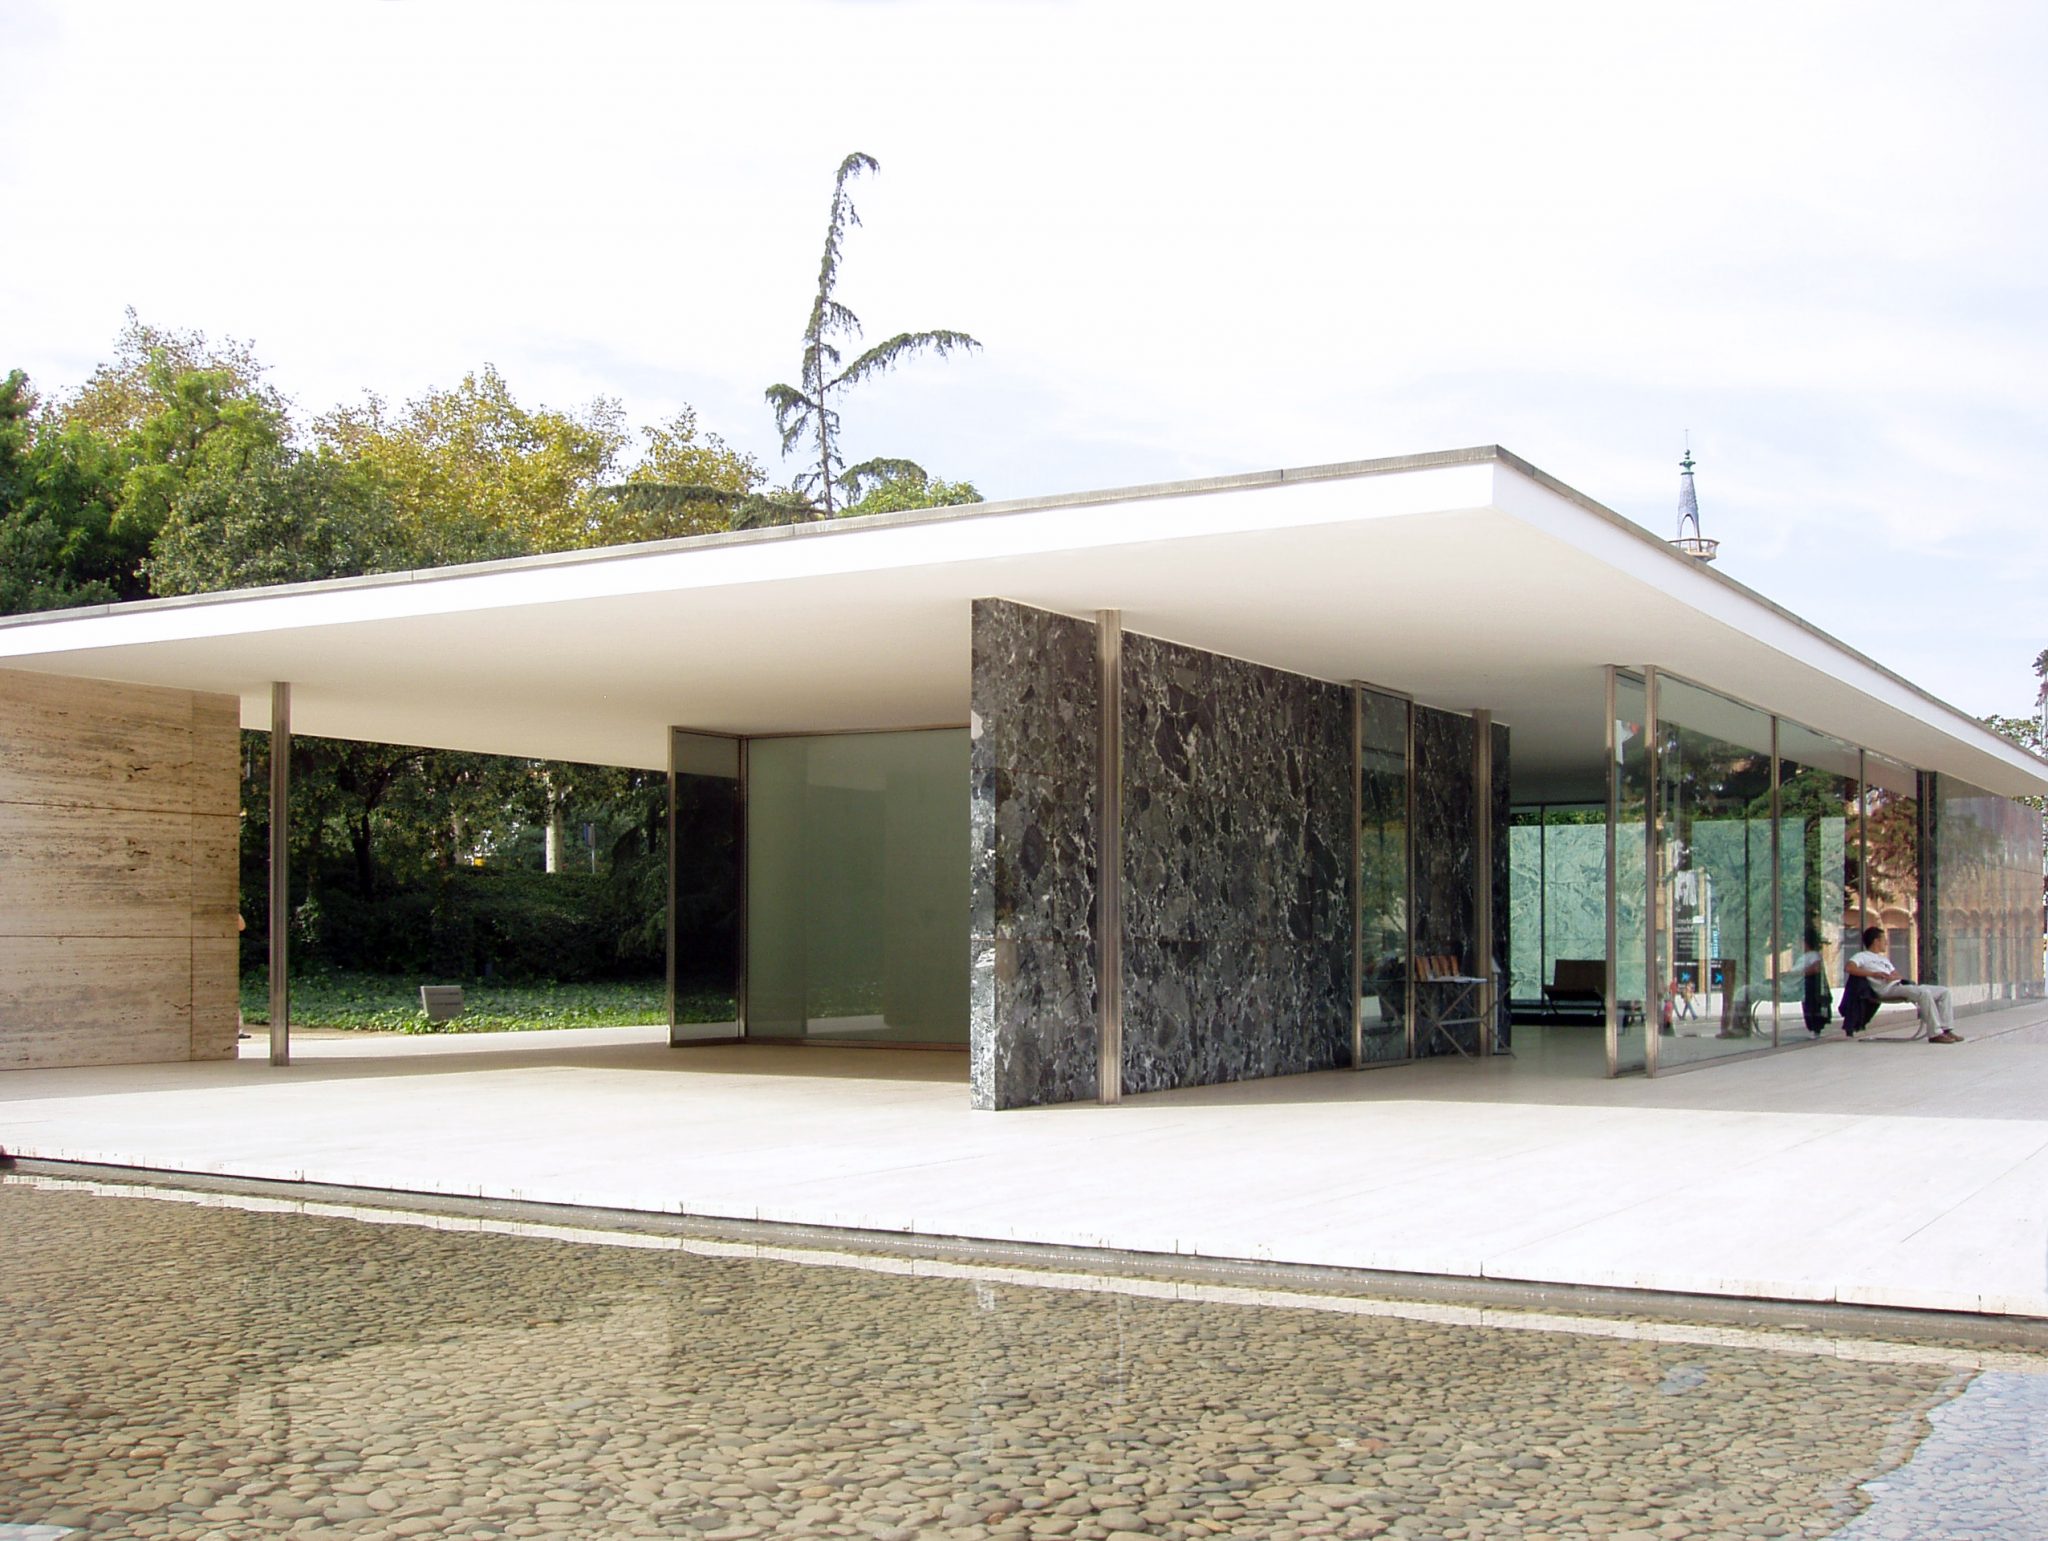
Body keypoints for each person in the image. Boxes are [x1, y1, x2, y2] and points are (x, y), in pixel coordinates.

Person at [1847, 925, 1961, 1043]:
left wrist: (1892, 977)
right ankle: (1935, 1034)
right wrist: (1873, 974)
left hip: (1899, 986)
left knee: (1944, 992)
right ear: (1876, 941)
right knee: (1923, 993)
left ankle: (1946, 1029)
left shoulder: (1883, 959)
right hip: (1886, 990)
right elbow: (1849, 968)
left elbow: (1898, 975)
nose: (1886, 943)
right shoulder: (1862, 956)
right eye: (1884, 940)